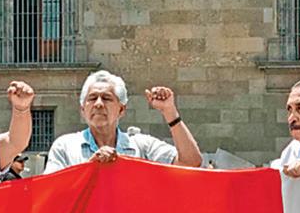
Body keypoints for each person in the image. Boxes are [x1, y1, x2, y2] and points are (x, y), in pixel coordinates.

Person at [43, 71, 203, 172]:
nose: (98, 104)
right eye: (92, 98)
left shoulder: (142, 146)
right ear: (83, 110)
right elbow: (51, 192)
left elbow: (191, 163)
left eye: (106, 98)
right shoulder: (65, 146)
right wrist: (91, 167)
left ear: (121, 110)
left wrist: (169, 111)